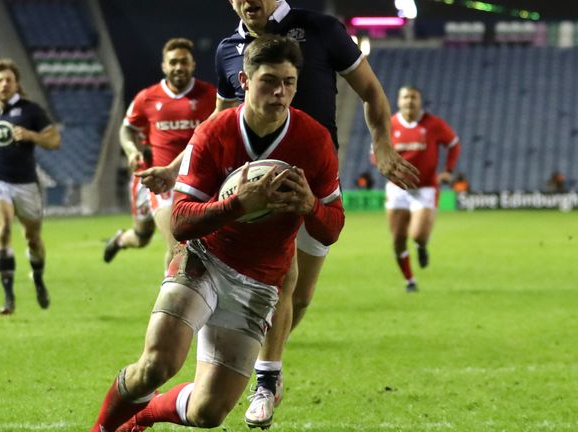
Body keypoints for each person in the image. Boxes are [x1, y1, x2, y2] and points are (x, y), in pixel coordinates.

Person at [136, 2, 419, 428]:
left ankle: (260, 362)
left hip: (313, 184)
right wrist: (177, 168)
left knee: (300, 296)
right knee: (277, 275)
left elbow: (372, 90)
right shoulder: (229, 49)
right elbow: (218, 118)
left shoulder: (321, 29)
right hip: (248, 184)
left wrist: (382, 143)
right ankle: (264, 378)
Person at [89, 34, 344, 432]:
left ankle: (143, 416)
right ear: (243, 81)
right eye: (268, 81)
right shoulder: (215, 132)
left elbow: (332, 229)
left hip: (259, 284)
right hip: (203, 261)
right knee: (158, 364)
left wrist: (311, 206)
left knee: (207, 413)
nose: (280, 93)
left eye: (289, 83)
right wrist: (237, 205)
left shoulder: (314, 141)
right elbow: (181, 220)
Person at [103, 38, 216, 269]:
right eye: (173, 62)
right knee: (142, 237)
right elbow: (127, 129)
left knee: (179, 246)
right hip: (159, 180)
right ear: (164, 66)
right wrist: (132, 150)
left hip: (197, 181)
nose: (178, 67)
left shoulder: (210, 96)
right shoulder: (148, 98)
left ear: (192, 64)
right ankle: (122, 239)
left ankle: (172, 301)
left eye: (183, 62)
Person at [0, 58, 61, 315]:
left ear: (16, 83)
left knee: (33, 239)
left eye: (9, 79)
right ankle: (9, 298)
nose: (4, 84)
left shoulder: (31, 111)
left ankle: (38, 279)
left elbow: (54, 140)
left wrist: (32, 136)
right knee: (3, 228)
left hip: (27, 184)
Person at [387, 85, 460, 292]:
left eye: (413, 97)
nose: (409, 101)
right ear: (399, 101)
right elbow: (376, 151)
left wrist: (448, 170)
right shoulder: (390, 124)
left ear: (420, 101)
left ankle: (421, 245)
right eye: (405, 97)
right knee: (398, 240)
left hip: (425, 188)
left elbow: (454, 144)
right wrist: (384, 166)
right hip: (397, 188)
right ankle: (410, 281)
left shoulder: (433, 124)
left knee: (417, 234)